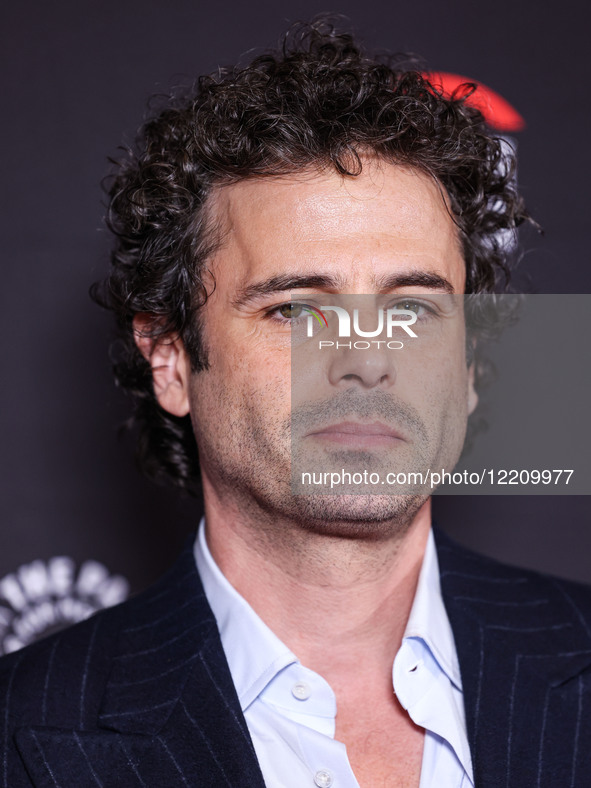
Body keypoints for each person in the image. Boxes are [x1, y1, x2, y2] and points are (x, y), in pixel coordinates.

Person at [1, 22, 590, 788]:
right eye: (296, 312)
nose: (365, 361)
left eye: (411, 310)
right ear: (171, 359)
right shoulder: (23, 734)